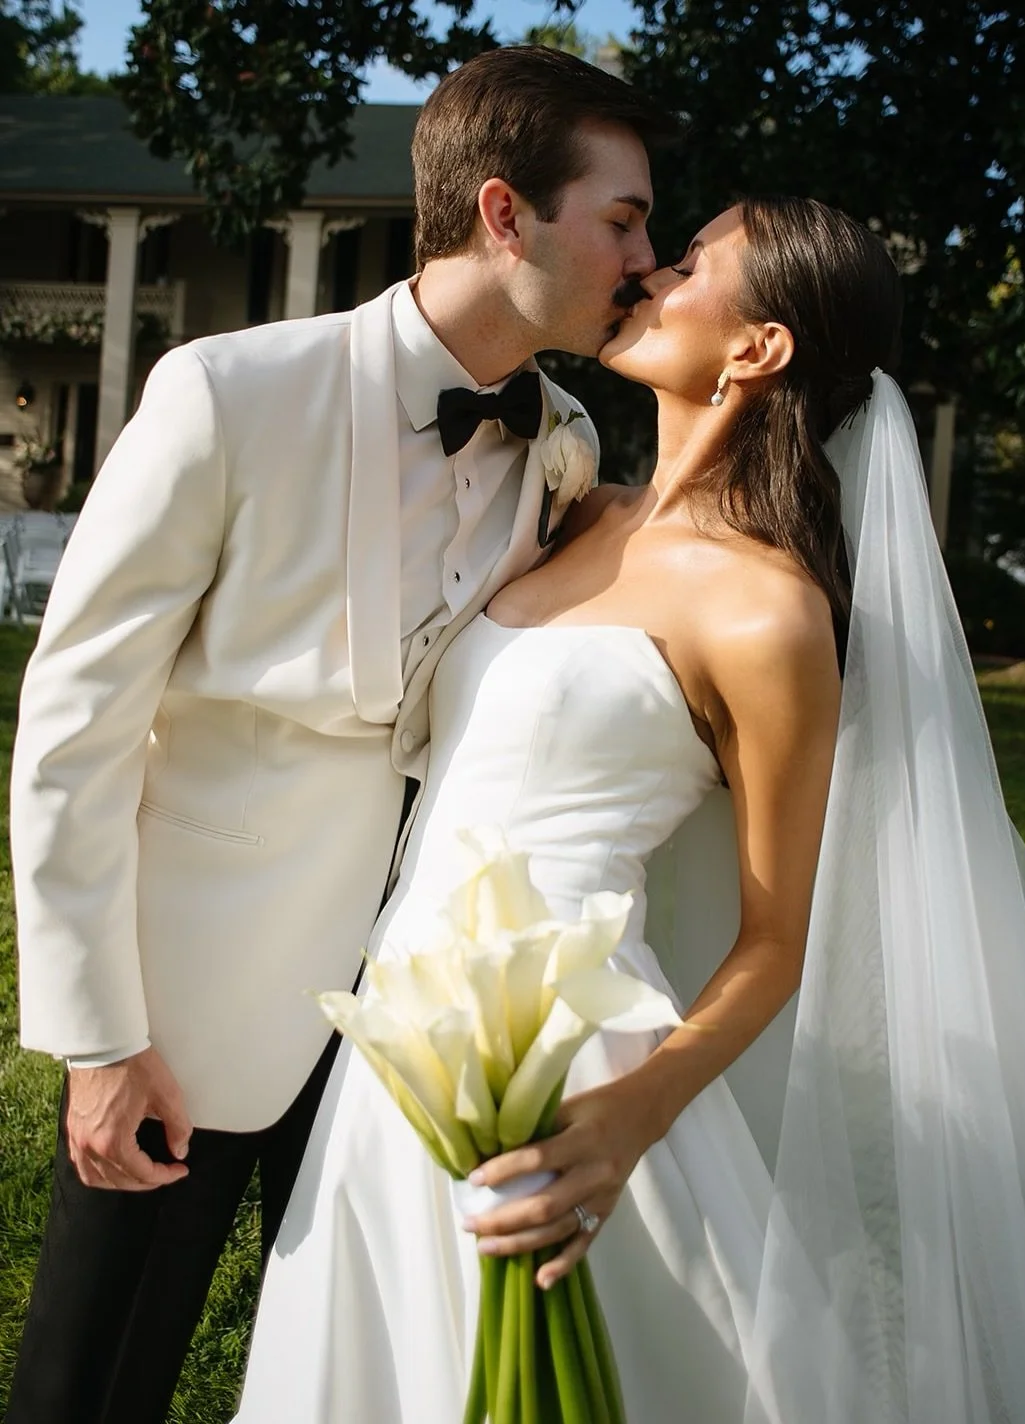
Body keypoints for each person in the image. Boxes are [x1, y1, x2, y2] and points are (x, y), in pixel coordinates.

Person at [234, 196, 1025, 1423]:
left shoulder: (769, 615)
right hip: (404, 1024)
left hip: (579, 1052)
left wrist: (633, 1108)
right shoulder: (569, 505)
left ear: (756, 349)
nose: (645, 275)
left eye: (685, 264)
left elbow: (779, 940)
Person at [7, 46, 675, 1424]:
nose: (647, 258)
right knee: (93, 1382)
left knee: (360, 1370)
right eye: (624, 217)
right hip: (187, 1002)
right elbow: (75, 717)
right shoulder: (226, 394)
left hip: (412, 1021)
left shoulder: (557, 442)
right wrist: (95, 1034)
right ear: (506, 214)